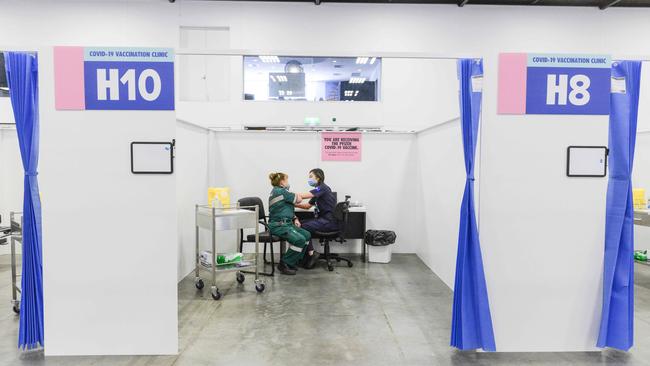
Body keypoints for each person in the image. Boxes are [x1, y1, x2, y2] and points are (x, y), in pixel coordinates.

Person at [267, 172, 315, 275]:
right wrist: (315, 193)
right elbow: (299, 199)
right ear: (281, 182)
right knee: (299, 239)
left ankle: (294, 261)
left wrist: (295, 218)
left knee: (307, 235)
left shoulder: (280, 192)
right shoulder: (280, 191)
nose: (288, 182)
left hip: (286, 223)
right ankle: (284, 264)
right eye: (286, 180)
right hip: (278, 225)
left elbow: (285, 209)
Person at [295, 168, 338, 269]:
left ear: (318, 178)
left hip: (328, 221)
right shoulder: (319, 191)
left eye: (311, 177)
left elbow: (305, 195)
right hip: (324, 220)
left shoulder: (321, 188)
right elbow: (307, 206)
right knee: (301, 223)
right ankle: (309, 254)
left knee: (303, 226)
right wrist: (294, 205)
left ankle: (311, 254)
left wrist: (287, 196)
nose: (309, 179)